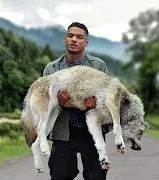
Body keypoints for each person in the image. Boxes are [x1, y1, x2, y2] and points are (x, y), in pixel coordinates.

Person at [43, 22, 110, 180]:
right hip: (63, 131)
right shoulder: (51, 68)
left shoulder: (98, 66)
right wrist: (57, 101)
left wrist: (96, 103)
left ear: (86, 42)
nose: (74, 39)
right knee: (60, 175)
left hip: (91, 132)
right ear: (65, 39)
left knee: (96, 176)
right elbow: (44, 103)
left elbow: (107, 97)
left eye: (79, 37)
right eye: (70, 36)